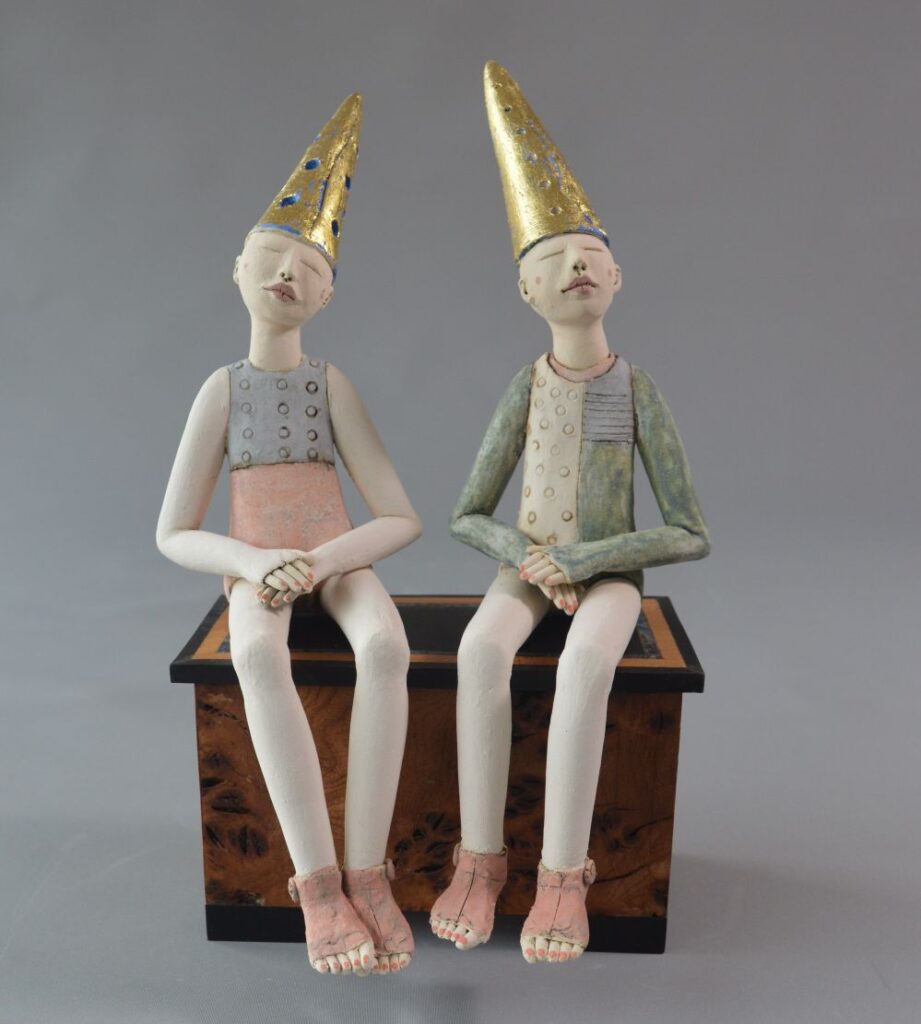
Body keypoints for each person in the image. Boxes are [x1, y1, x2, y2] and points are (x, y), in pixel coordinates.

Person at [429, 62, 710, 965]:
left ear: (617, 275)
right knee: (479, 650)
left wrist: (585, 561)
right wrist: (527, 556)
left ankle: (561, 875)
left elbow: (689, 530)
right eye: (550, 261)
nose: (574, 266)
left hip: (607, 577)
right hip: (526, 568)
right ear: (526, 291)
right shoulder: (525, 388)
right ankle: (479, 861)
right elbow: (467, 511)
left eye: (587, 254)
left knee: (588, 664)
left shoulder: (637, 390)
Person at [156, 94, 421, 977]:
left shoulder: (330, 384)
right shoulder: (221, 391)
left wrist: (322, 561)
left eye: (306, 266)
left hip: (329, 559)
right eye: (270, 258)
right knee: (254, 653)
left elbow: (399, 514)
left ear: (328, 292)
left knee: (385, 643)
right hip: (258, 568)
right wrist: (250, 561)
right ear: (237, 269)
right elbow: (173, 531)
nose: (284, 275)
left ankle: (368, 874)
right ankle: (317, 886)